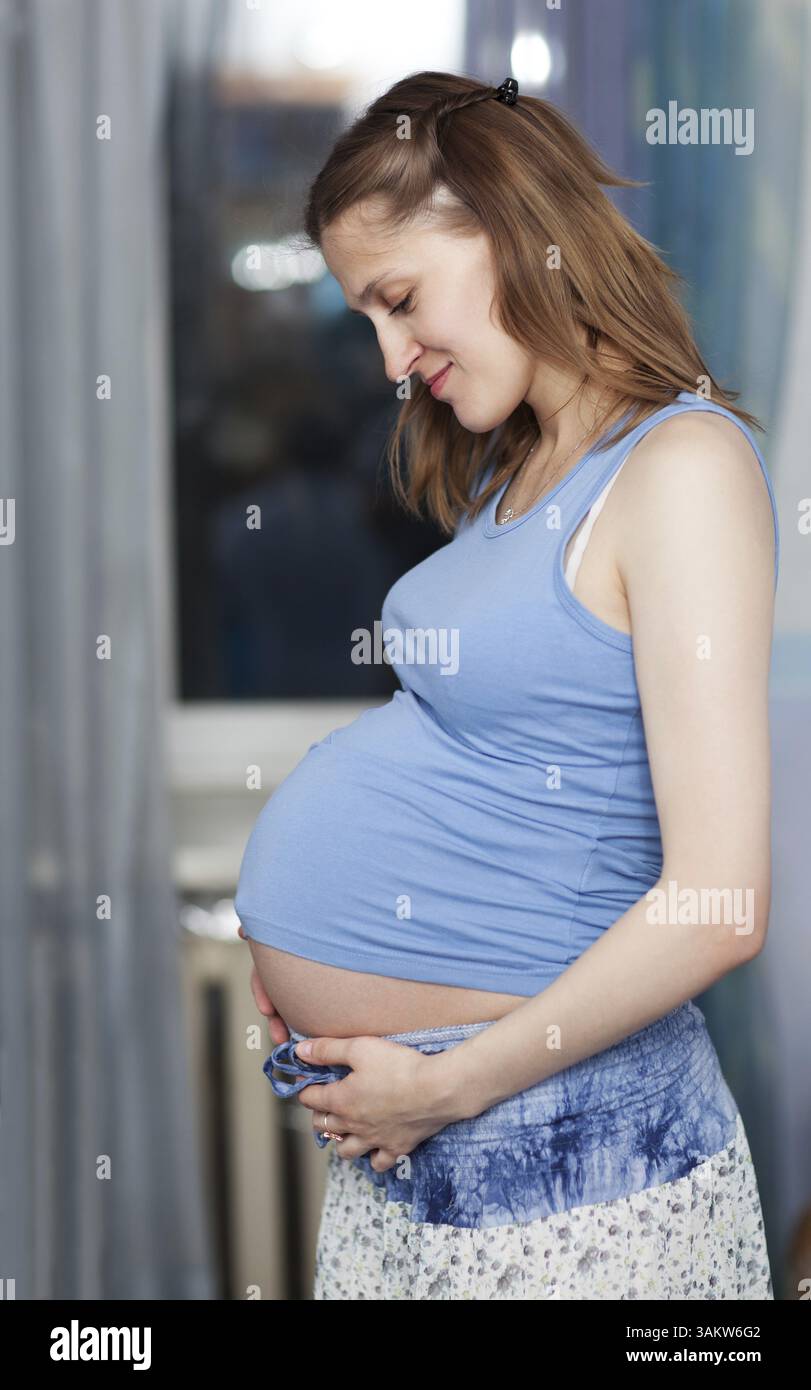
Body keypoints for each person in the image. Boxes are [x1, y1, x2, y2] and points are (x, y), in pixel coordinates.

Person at [235, 72, 778, 1300]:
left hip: (567, 1161)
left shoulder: (679, 470)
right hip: (424, 1161)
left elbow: (718, 903)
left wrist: (448, 1079)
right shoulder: (516, 475)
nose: (386, 356)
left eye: (399, 299)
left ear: (505, 224)